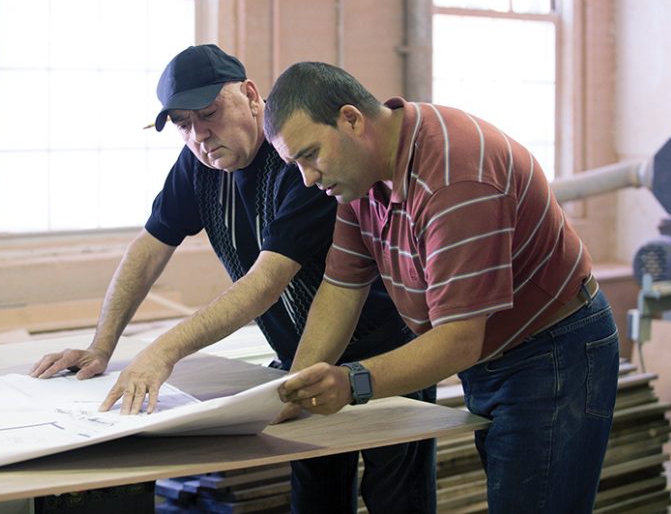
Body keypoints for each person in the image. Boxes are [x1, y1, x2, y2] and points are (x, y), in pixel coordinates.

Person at [30, 45, 436, 514]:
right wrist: (103, 346)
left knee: (397, 499)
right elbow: (148, 249)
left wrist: (163, 350)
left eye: (210, 113)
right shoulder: (198, 165)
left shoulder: (299, 163)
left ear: (250, 95)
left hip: (382, 357)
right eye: (184, 124)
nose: (200, 135)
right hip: (298, 361)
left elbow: (266, 282)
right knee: (316, 498)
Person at [263, 61, 620, 514]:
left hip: (552, 353)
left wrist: (351, 382)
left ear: (352, 119)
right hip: (495, 354)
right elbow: (340, 287)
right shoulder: (360, 180)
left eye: (310, 154)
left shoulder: (454, 175)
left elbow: (458, 340)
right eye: (295, 163)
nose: (307, 178)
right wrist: (295, 388)